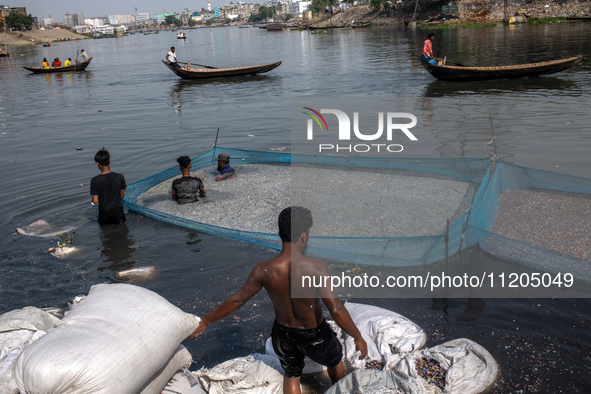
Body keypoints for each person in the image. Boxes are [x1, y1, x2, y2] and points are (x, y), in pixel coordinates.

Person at [190, 207, 368, 394]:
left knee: (291, 374)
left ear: (280, 234)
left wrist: (206, 320)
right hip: (314, 334)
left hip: (283, 335)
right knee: (334, 360)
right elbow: (336, 309)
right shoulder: (316, 267)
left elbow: (237, 301)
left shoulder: (263, 269)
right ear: (304, 236)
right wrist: (357, 336)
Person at [90, 148, 127, 225]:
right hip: (118, 213)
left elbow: (95, 201)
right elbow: (121, 196)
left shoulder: (95, 180)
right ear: (109, 161)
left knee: (105, 233)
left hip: (104, 214)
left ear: (97, 163)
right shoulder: (120, 177)